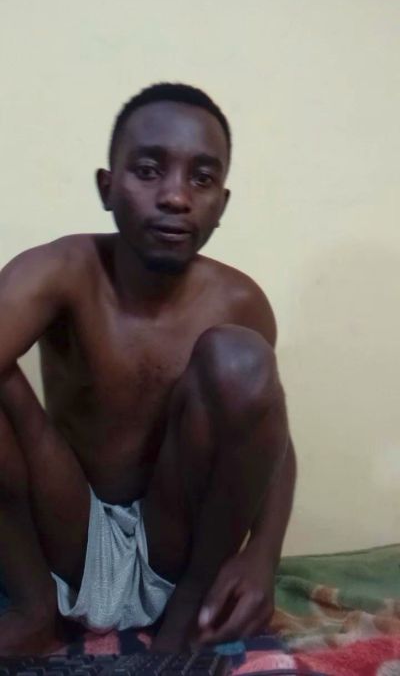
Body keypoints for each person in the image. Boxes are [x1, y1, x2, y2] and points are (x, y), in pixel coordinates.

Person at [0, 83, 296, 655]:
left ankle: (185, 618)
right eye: (148, 170)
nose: (176, 197)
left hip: (174, 547)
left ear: (222, 205)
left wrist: (263, 554)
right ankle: (35, 609)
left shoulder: (241, 302)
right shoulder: (60, 270)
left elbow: (273, 440)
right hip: (69, 530)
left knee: (242, 360)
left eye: (201, 179)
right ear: (107, 187)